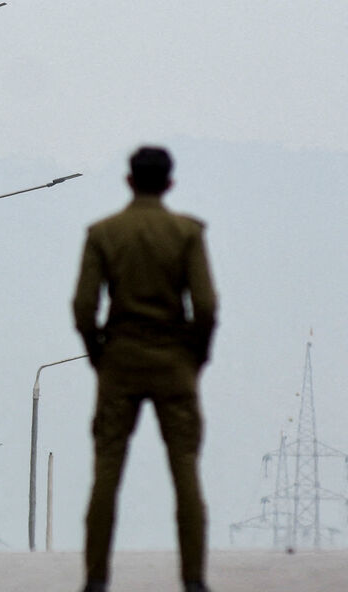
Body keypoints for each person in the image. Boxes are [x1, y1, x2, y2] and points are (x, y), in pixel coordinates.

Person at [72, 146, 217, 592]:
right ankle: (193, 580)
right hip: (174, 363)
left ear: (129, 181)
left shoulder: (103, 234)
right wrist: (196, 356)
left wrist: (98, 354)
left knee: (107, 473)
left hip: (120, 362)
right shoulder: (186, 233)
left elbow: (83, 306)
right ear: (170, 183)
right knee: (186, 471)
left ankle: (96, 579)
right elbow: (206, 306)